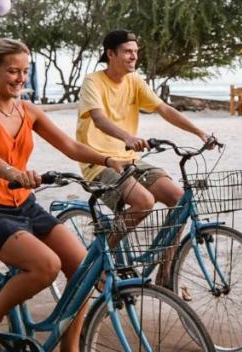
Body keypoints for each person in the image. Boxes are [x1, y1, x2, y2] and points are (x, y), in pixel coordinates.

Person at [0, 38, 130, 352]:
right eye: (12, 71)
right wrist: (15, 174)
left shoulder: (28, 111)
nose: (20, 78)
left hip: (24, 204)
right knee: (46, 265)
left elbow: (69, 145)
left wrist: (106, 157)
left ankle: (69, 351)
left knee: (83, 269)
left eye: (24, 71)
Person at [75, 30, 215, 286]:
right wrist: (127, 137)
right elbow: (98, 118)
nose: (134, 56)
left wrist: (199, 132)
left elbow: (163, 108)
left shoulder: (135, 81)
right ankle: (99, 256)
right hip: (99, 161)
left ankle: (165, 274)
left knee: (178, 199)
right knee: (144, 202)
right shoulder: (92, 82)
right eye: (128, 51)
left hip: (130, 159)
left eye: (136, 52)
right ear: (110, 54)